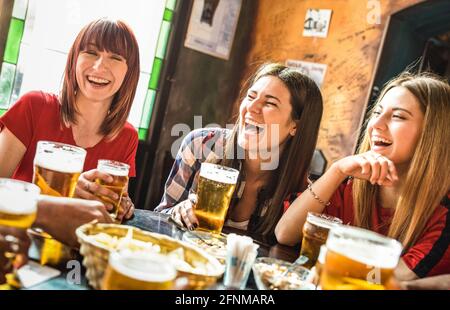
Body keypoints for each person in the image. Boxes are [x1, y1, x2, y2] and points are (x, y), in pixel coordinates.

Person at [276, 72, 450, 280]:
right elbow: (285, 234)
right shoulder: (351, 183)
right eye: (377, 112)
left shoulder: (443, 213)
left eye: (398, 116)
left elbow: (388, 280)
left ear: (433, 134)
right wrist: (337, 170)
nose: (376, 124)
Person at [155, 63, 324, 241]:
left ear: (295, 126)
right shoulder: (201, 145)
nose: (252, 108)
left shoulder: (303, 194)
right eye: (251, 97)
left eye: (270, 103)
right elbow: (158, 218)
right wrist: (176, 212)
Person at [0, 18, 140, 222]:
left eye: (115, 57)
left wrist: (122, 205)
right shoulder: (34, 106)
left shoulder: (127, 136)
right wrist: (65, 196)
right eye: (91, 52)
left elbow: (107, 209)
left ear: (129, 72)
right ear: (74, 59)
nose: (100, 66)